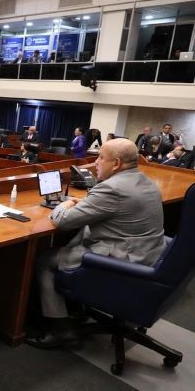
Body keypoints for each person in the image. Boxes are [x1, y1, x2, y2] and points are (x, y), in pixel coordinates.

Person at [27, 139, 166, 348]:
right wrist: (85, 203)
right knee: (80, 235)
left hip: (122, 262)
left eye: (101, 157)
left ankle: (60, 329)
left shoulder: (111, 188)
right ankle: (74, 309)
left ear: (116, 163)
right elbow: (114, 208)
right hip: (149, 257)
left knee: (44, 260)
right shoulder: (145, 181)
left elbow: (62, 220)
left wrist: (64, 204)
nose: (96, 163)